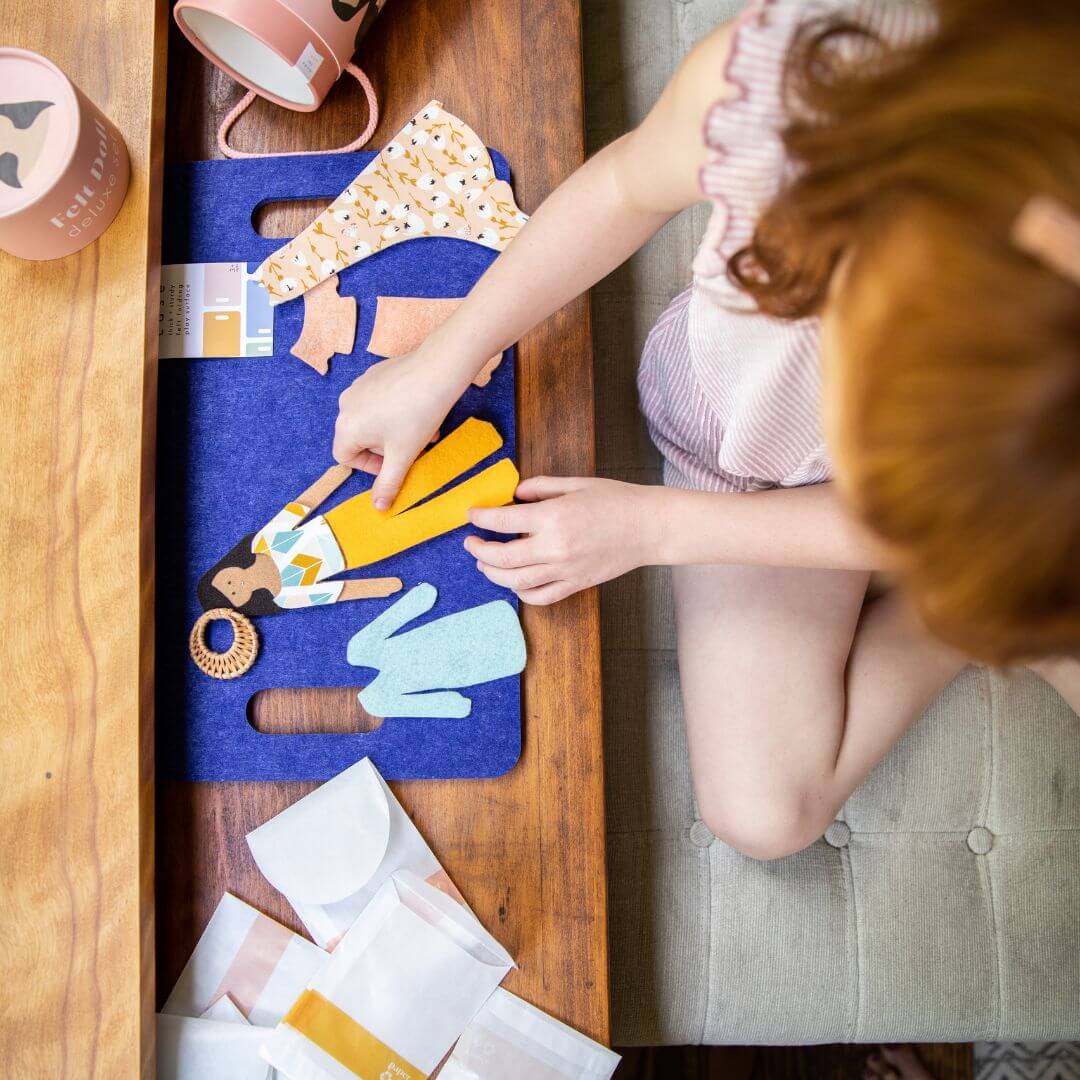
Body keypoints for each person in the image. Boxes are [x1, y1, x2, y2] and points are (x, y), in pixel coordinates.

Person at [332, 0, 1080, 869]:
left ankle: (986, 593)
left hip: (958, 516)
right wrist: (447, 357)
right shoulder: (782, 86)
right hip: (743, 454)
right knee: (762, 810)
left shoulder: (1029, 391)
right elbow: (623, 187)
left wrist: (650, 526)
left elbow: (935, 517)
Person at [198, 419, 517, 615]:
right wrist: (381, 586)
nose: (236, 582)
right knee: (432, 521)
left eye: (227, 579)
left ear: (228, 566)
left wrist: (333, 477)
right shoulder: (284, 596)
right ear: (244, 600)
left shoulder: (263, 541)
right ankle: (500, 483)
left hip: (347, 517)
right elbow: (336, 592)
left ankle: (478, 439)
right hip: (362, 552)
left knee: (413, 482)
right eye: (234, 591)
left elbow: (299, 508)